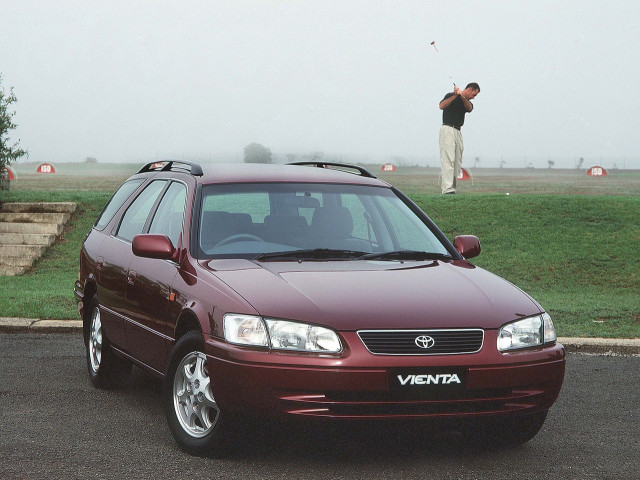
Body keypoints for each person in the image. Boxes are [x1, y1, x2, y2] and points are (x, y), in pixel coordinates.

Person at [438, 82, 480, 194]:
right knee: (448, 159)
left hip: (458, 131)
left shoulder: (466, 102)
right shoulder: (450, 95)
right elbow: (441, 106)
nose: (474, 97)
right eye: (474, 95)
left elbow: (469, 108)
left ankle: (452, 188)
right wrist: (455, 95)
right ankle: (447, 189)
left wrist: (461, 96)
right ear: (470, 89)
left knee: (457, 161)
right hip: (447, 130)